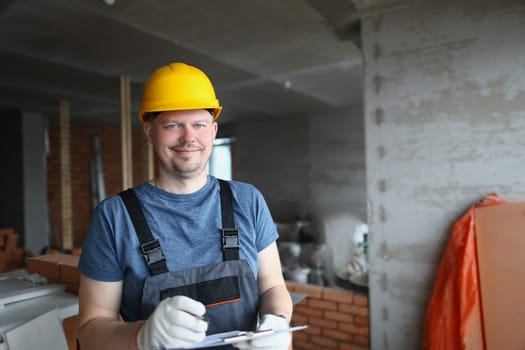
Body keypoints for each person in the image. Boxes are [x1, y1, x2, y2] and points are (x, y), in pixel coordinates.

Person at [77, 62, 293, 350]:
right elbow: (90, 330)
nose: (189, 137)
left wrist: (277, 321)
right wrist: (141, 336)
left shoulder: (248, 200)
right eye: (173, 125)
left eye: (199, 125)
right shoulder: (115, 217)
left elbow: (272, 286)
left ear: (214, 131)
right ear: (150, 131)